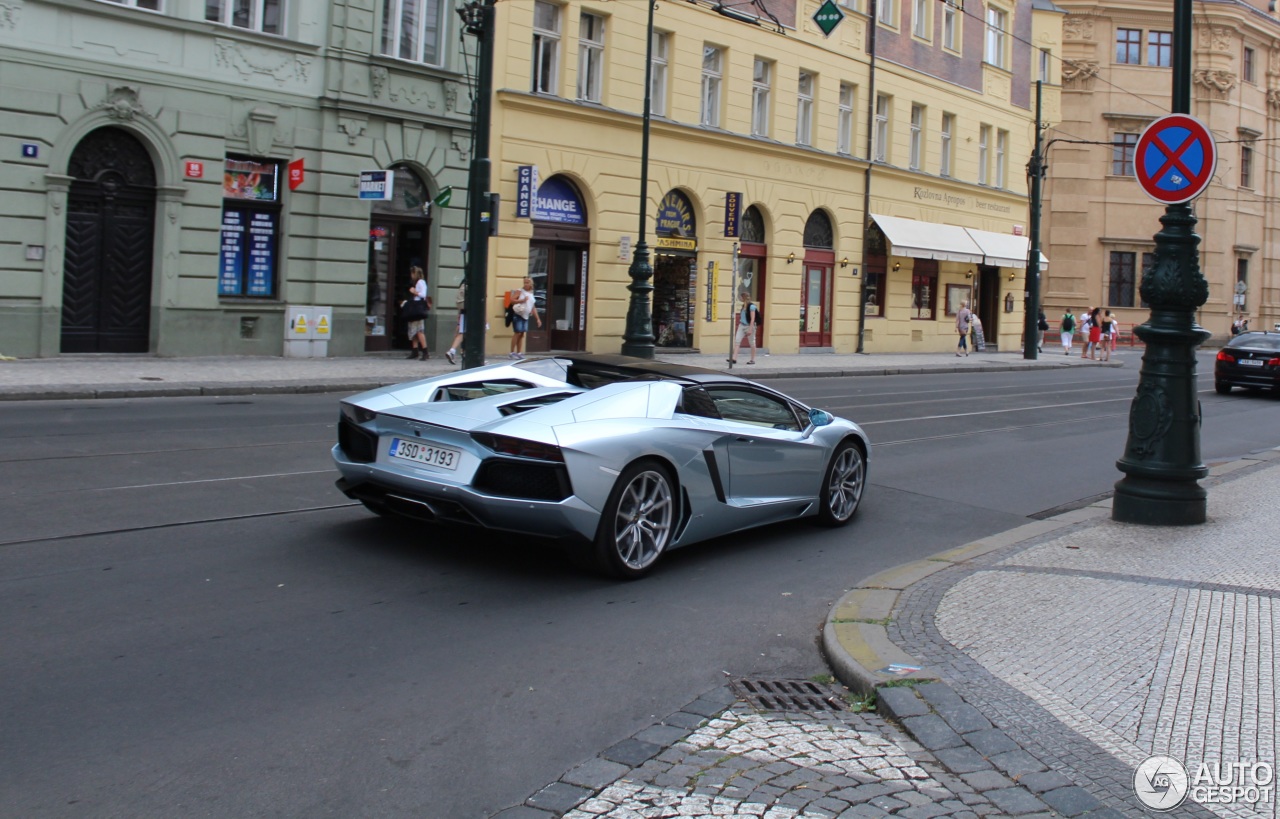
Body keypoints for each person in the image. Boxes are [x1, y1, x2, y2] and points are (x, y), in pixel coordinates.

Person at [509, 276, 540, 360]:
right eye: (524, 282)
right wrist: (521, 300)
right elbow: (511, 300)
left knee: (522, 334)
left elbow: (533, 307)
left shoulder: (531, 293)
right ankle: (512, 352)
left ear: (531, 283)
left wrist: (537, 319)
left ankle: (519, 352)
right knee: (517, 332)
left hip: (525, 316)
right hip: (518, 314)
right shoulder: (520, 291)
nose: (525, 284)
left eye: (527, 282)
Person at [404, 266, 429, 360]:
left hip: (417, 309)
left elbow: (423, 294)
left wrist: (415, 292)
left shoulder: (420, 282)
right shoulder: (417, 282)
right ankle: (415, 350)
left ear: (415, 273)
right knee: (413, 331)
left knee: (419, 331)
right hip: (414, 308)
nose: (411, 275)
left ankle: (425, 352)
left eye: (412, 273)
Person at [729, 290, 759, 365]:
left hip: (749, 326)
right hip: (741, 325)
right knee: (737, 341)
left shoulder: (752, 306)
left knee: (752, 343)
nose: (740, 299)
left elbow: (752, 319)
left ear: (744, 298)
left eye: (741, 297)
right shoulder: (743, 306)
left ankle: (752, 360)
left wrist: (750, 329)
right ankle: (734, 359)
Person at [445, 279, 466, 365]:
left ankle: (453, 351)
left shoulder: (463, 282)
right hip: (474, 313)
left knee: (462, 333)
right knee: (478, 334)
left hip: (464, 312)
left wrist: (459, 319)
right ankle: (476, 357)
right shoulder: (477, 281)